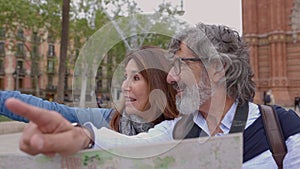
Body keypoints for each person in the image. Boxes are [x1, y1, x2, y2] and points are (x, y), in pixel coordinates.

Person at [6, 23, 300, 168]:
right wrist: (84, 137)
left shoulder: (284, 130)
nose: (171, 78)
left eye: (180, 65)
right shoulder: (176, 130)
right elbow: (130, 145)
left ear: (218, 68)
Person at [1, 46, 179, 135]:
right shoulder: (112, 120)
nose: (125, 86)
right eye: (126, 76)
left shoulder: (183, 129)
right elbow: (55, 111)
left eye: (136, 78)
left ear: (157, 86)